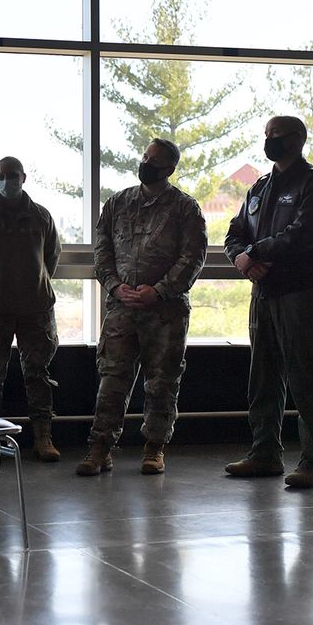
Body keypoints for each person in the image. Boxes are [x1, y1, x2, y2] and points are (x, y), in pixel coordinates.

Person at [77, 138, 207, 477]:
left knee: (162, 382)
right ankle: (100, 448)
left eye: (153, 160)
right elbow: (101, 249)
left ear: (169, 169)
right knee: (112, 379)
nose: (145, 163)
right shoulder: (119, 202)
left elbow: (192, 257)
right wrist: (115, 286)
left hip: (165, 312)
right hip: (121, 309)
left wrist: (160, 291)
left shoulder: (185, 209)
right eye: (145, 156)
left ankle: (154, 448)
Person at [223, 116, 313, 488]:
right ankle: (264, 454)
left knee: (308, 377)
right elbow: (235, 232)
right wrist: (242, 257)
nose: (268, 140)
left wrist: (254, 251)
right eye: (266, 135)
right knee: (263, 377)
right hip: (264, 292)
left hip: (300, 292)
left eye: (276, 135)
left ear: (297, 140)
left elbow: (304, 235)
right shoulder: (258, 186)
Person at [0, 156, 63, 463]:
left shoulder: (41, 216)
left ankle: (43, 437)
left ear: (24, 177)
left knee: (39, 374)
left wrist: (30, 283)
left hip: (36, 309)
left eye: (13, 175)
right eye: (2, 176)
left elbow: (51, 258)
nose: (8, 180)